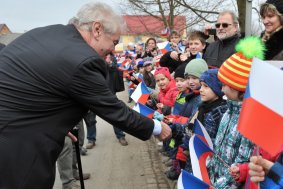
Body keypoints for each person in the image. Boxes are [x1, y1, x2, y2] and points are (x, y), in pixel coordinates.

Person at [0, 2, 171, 189]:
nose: (114, 50)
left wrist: (55, 123)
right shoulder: (82, 59)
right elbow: (114, 110)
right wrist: (156, 128)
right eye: (114, 42)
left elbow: (29, 86)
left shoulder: (48, 33)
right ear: (97, 29)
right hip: (17, 147)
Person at [207, 37, 265, 188]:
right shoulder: (228, 111)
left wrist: (220, 185)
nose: (221, 89)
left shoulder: (249, 121)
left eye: (225, 85)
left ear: (239, 89)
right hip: (215, 178)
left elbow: (243, 161)